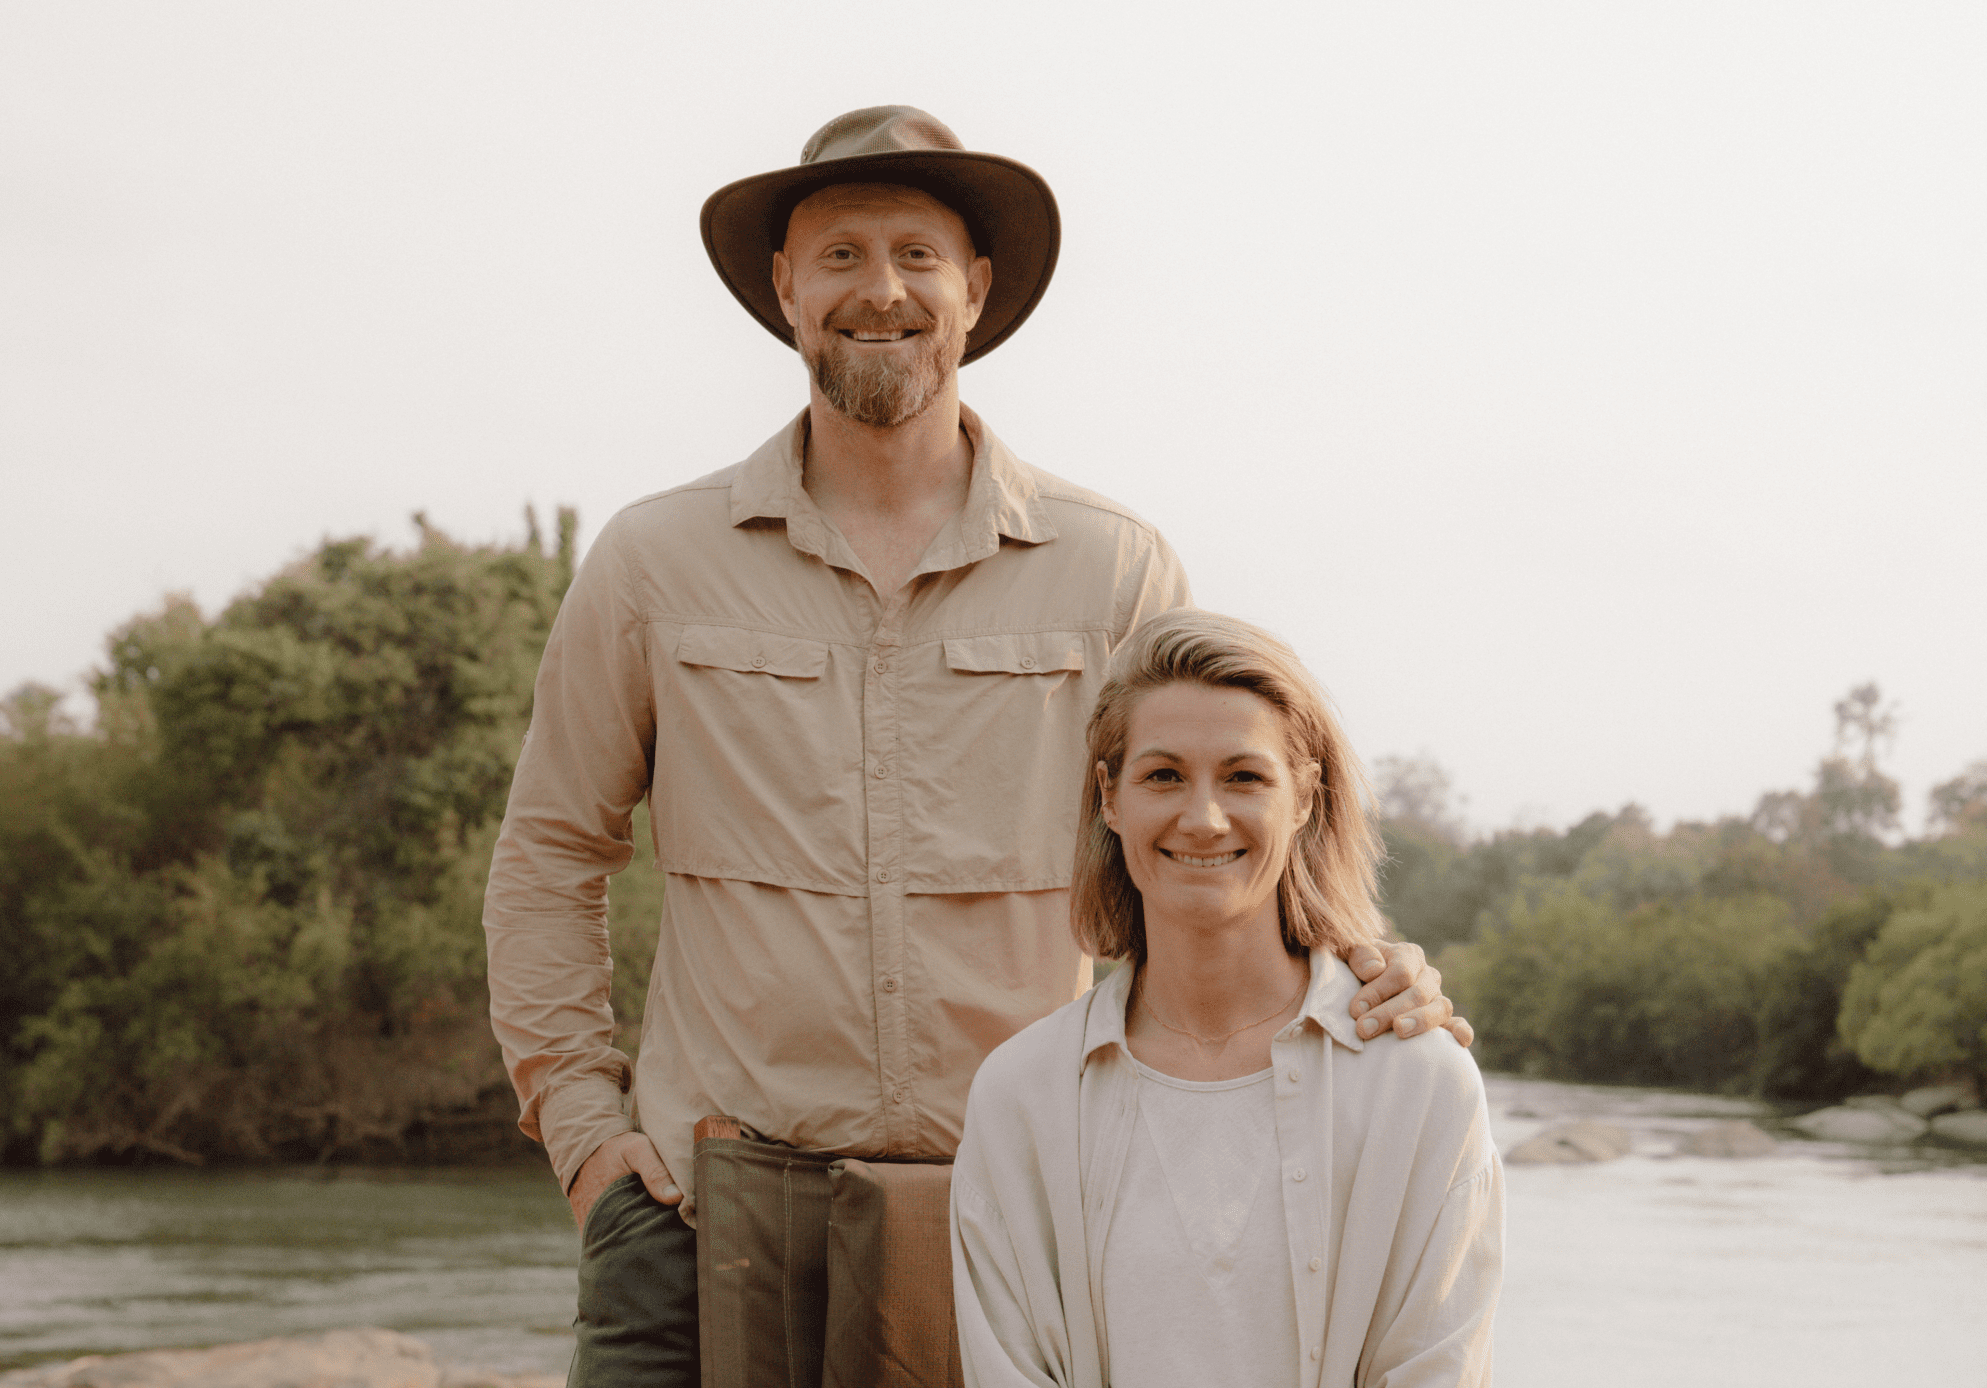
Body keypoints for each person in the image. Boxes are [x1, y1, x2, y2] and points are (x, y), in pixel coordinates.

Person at [482, 106, 1469, 1386]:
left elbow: (1206, 820)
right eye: (838, 254)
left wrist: (1360, 966)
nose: (877, 289)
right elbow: (551, 851)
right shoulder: (651, 564)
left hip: (1026, 1197)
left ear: (975, 290)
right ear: (784, 286)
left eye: (916, 254)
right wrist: (587, 1138)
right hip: (697, 1206)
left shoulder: (1111, 566)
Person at [952, 609, 1503, 1388]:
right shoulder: (1020, 1097)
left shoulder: (1417, 1085)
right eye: (1164, 775)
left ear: (1305, 798)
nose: (1204, 818)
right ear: (1110, 798)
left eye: (1244, 776)